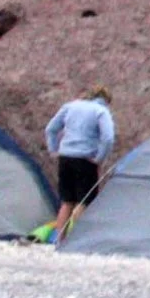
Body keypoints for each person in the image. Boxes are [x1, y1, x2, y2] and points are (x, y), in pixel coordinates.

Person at [42, 86, 116, 240]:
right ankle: (76, 239)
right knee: (84, 201)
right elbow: (108, 138)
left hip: (65, 157)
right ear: (106, 100)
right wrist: (99, 158)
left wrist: (53, 149)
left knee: (66, 201)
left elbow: (50, 129)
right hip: (85, 159)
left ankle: (59, 240)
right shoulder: (101, 111)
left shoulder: (69, 106)